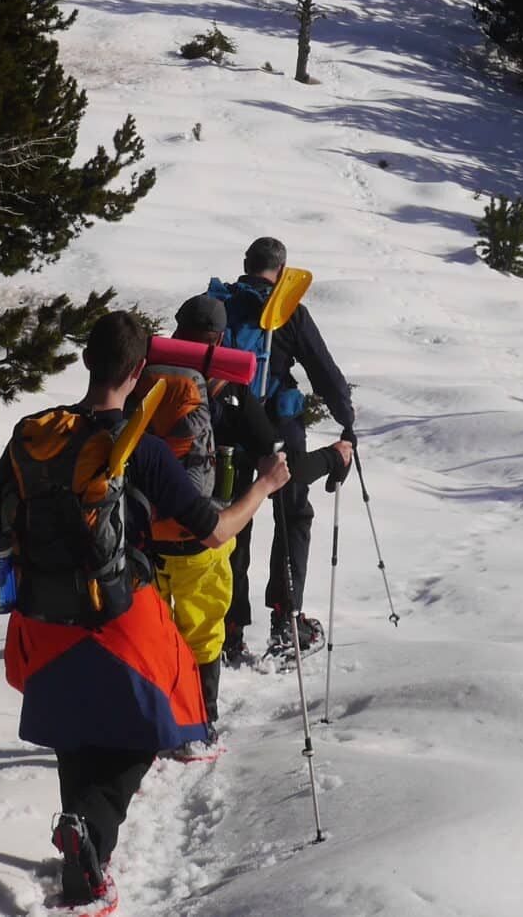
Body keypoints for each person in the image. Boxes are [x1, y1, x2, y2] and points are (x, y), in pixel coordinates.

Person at [0, 310, 290, 915]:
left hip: (41, 615)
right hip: (121, 616)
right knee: (148, 732)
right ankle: (86, 831)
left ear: (87, 361)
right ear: (140, 372)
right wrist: (264, 486)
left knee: (74, 729)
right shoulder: (141, 446)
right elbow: (215, 531)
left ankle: (83, 860)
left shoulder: (34, 433)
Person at [147, 294, 352, 744]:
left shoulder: (143, 377)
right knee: (202, 635)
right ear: (219, 341)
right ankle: (199, 728)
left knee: (155, 629)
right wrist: (331, 457)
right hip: (199, 537)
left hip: (142, 540)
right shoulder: (214, 393)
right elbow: (274, 457)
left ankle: (152, 715)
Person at [213, 235, 355, 668]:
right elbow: (323, 370)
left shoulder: (219, 303)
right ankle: (286, 621)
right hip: (279, 427)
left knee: (237, 524)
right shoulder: (289, 310)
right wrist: (347, 419)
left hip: (231, 429)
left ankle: (230, 631)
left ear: (245, 264)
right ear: (282, 269)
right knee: (292, 515)